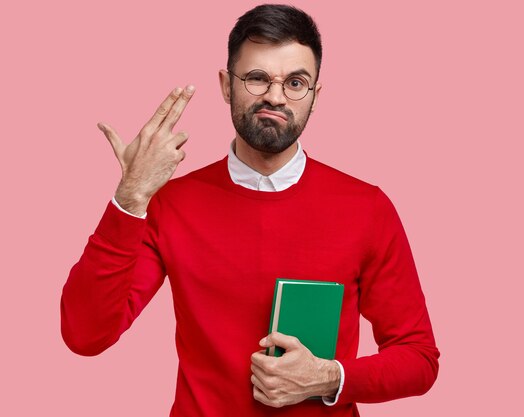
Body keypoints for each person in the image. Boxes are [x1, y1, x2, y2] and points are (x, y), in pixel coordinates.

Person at [61, 4, 439, 416]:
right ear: (227, 85)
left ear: (314, 95)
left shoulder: (368, 208)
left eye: (296, 82)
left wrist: (330, 378)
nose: (275, 96)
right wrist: (131, 197)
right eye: (257, 78)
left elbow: (419, 358)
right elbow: (85, 335)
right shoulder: (170, 204)